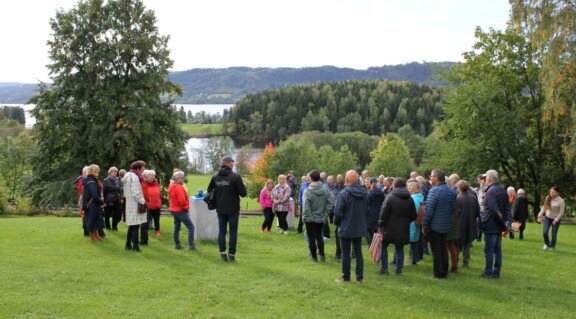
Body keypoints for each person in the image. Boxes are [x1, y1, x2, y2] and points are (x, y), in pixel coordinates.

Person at [207, 156, 247, 262]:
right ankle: (232, 255)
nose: (233, 165)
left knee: (222, 231)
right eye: (232, 163)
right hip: (233, 209)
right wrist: (243, 185)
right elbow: (243, 193)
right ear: (228, 164)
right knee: (233, 232)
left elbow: (209, 190)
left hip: (220, 208)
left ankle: (222, 253)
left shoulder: (215, 176)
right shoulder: (236, 177)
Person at [333, 170, 368, 283]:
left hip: (346, 227)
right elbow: (366, 210)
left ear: (347, 180)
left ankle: (346, 277)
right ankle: (359, 277)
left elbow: (337, 212)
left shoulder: (344, 193)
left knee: (346, 253)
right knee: (358, 253)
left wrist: (336, 222)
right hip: (358, 227)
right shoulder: (364, 193)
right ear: (357, 180)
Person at [377, 178, 417, 275]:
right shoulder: (410, 198)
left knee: (383, 246)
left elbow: (383, 213)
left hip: (388, 228)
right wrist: (406, 221)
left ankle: (384, 269)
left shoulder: (390, 197)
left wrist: (380, 224)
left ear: (394, 185)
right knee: (400, 249)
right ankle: (398, 271)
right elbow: (413, 215)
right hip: (403, 229)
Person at [422, 169, 455, 279]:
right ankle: (444, 272)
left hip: (435, 226)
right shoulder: (450, 191)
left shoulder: (434, 191)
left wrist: (425, 225)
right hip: (445, 224)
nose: (430, 178)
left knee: (436, 251)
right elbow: (452, 209)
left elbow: (429, 211)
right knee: (443, 249)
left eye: (431, 176)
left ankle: (437, 273)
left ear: (436, 178)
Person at [479, 169, 512, 278]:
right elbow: (507, 208)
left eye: (486, 178)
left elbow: (494, 209)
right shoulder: (502, 190)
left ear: (488, 179)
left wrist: (503, 222)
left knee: (489, 250)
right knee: (498, 250)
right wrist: (507, 222)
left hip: (491, 224)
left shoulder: (491, 191)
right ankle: (496, 271)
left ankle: (489, 272)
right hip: (499, 225)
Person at [302, 170, 334, 262]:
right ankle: (322, 256)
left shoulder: (307, 191)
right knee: (319, 237)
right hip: (320, 218)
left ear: (311, 179)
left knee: (311, 238)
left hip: (310, 219)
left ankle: (314, 258)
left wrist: (309, 218)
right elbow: (330, 203)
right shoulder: (325, 190)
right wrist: (325, 215)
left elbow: (306, 207)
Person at [122, 160, 147, 253]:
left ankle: (128, 244)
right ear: (138, 168)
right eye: (142, 168)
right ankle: (135, 246)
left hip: (129, 202)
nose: (143, 170)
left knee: (131, 225)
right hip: (135, 203)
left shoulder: (128, 175)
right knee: (136, 225)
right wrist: (143, 201)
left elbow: (124, 193)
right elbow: (136, 193)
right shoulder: (135, 178)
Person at [168, 171, 196, 250]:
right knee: (191, 227)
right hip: (180, 210)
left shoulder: (171, 186)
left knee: (177, 227)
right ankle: (191, 245)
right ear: (179, 179)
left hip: (173, 209)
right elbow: (182, 200)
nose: (183, 180)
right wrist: (186, 207)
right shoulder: (179, 187)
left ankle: (177, 244)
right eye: (182, 178)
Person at [456, 180, 479, 268]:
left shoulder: (458, 198)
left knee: (457, 244)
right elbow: (477, 212)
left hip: (459, 224)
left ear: (459, 188)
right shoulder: (473, 197)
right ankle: (466, 262)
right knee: (467, 243)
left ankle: (456, 261)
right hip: (471, 224)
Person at [537, 187, 565, 251]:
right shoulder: (548, 197)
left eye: (553, 192)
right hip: (548, 217)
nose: (551, 193)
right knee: (545, 232)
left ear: (557, 193)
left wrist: (556, 220)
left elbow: (561, 212)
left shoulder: (561, 201)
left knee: (554, 234)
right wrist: (539, 215)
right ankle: (547, 244)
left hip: (556, 219)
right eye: (550, 192)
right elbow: (544, 207)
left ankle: (552, 247)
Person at [82, 164, 104, 242]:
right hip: (92, 204)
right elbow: (94, 195)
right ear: (95, 171)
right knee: (92, 220)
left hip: (92, 203)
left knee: (95, 220)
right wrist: (102, 201)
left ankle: (96, 235)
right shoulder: (92, 182)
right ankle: (92, 237)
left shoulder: (89, 180)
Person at [407, 179, 424, 265]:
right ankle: (414, 259)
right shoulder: (420, 196)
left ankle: (413, 260)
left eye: (409, 187)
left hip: (413, 222)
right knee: (414, 242)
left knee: (412, 242)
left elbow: (414, 211)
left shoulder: (414, 198)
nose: (408, 189)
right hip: (416, 222)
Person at [103, 166, 122, 231]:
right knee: (107, 214)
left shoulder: (118, 180)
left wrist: (121, 198)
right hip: (109, 200)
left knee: (116, 214)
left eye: (116, 172)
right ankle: (108, 226)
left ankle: (114, 227)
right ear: (110, 172)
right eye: (114, 172)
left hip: (117, 199)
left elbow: (120, 190)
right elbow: (104, 192)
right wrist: (104, 202)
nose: (115, 173)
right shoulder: (106, 180)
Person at [366, 177, 384, 247]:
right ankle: (376, 243)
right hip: (379, 211)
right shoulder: (381, 192)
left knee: (368, 228)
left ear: (370, 184)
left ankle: (371, 244)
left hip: (371, 212)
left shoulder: (369, 193)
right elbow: (383, 201)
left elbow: (367, 203)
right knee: (376, 228)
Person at [145, 170, 162, 237]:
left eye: (154, 175)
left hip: (156, 205)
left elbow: (158, 193)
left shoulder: (156, 183)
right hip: (148, 205)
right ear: (147, 176)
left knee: (157, 219)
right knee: (146, 220)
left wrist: (159, 202)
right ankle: (145, 233)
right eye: (151, 175)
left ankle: (157, 231)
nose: (153, 177)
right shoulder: (144, 183)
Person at [77, 166, 90, 237]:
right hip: (84, 199)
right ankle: (86, 231)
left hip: (88, 199)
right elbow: (82, 190)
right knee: (84, 216)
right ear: (84, 173)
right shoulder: (81, 180)